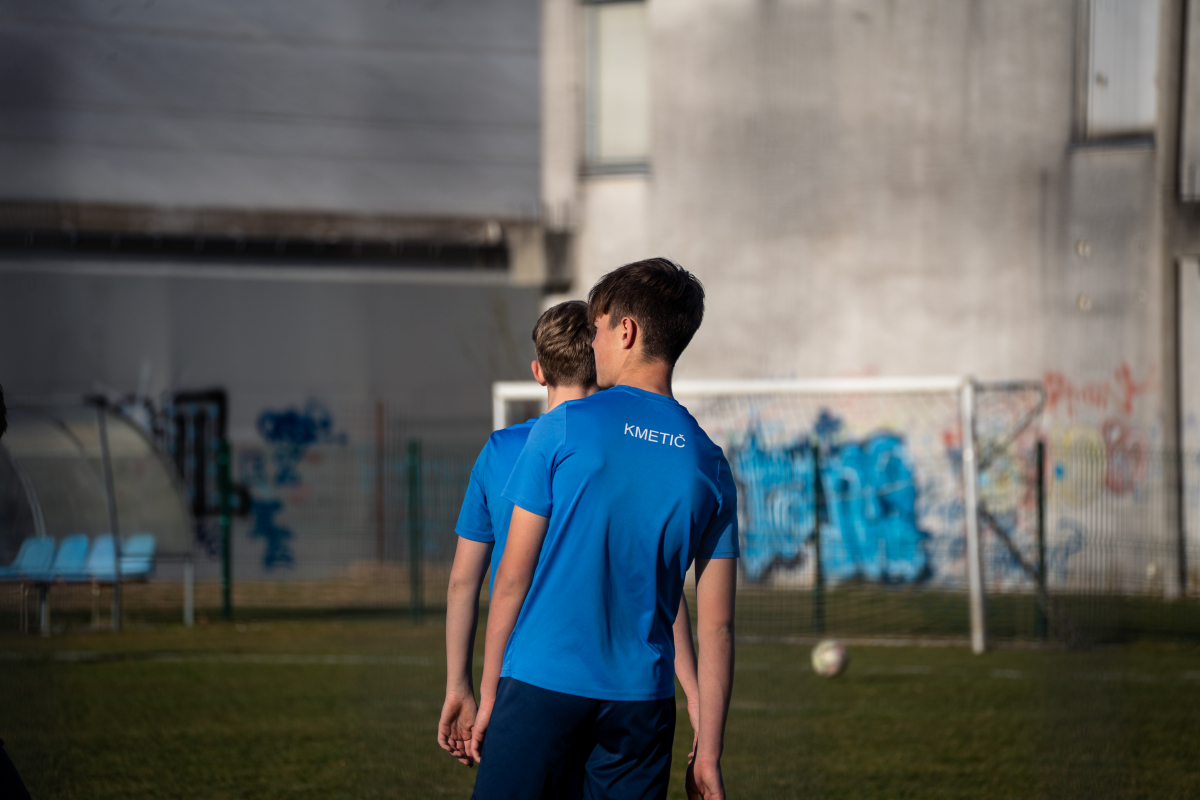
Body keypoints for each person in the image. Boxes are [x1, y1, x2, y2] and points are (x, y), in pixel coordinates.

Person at [469, 259, 739, 800]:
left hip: (541, 684)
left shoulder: (561, 427)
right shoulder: (710, 463)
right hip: (642, 705)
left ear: (626, 331)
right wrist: (708, 751)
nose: (591, 344)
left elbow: (511, 580)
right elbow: (718, 628)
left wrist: (491, 694)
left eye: (596, 329)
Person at [437, 300, 706, 769]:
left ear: (539, 372)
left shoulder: (501, 449)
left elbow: (464, 581)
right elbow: (659, 582)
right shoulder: (631, 446)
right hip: (628, 692)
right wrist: (696, 696)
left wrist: (461, 685)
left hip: (531, 681)